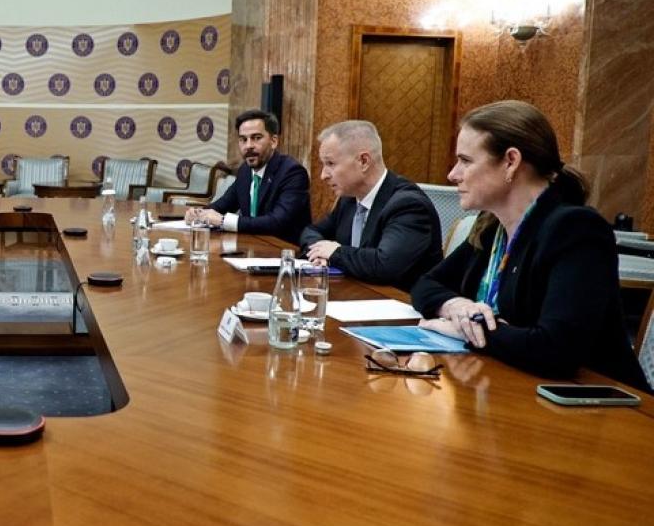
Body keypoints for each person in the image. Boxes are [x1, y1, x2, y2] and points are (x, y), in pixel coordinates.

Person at [412, 101, 647, 389]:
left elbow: (556, 350)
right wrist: (456, 306)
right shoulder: (492, 226)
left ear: (511, 161)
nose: (453, 174)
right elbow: (425, 285)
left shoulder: (576, 229)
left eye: (466, 161)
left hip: (598, 402)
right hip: (512, 386)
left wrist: (469, 329)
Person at [299, 120, 442, 290]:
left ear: (364, 161)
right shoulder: (350, 199)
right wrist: (320, 253)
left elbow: (385, 265)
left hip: (399, 302)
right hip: (354, 293)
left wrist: (335, 253)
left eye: (330, 163)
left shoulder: (408, 205)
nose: (323, 175)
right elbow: (311, 231)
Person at [185, 109, 310, 243]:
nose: (248, 146)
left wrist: (223, 221)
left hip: (282, 249)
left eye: (256, 138)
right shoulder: (245, 171)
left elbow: (277, 222)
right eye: (243, 139)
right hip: (250, 246)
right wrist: (198, 213)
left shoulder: (292, 173)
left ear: (273, 141)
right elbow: (222, 205)